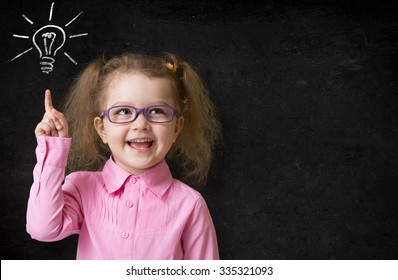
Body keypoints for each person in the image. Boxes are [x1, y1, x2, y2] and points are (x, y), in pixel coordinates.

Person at [26, 52, 222, 260]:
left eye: (156, 111)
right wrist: (53, 150)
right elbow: (43, 229)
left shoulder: (190, 204)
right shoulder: (82, 187)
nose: (140, 124)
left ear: (176, 128)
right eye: (123, 111)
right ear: (102, 129)